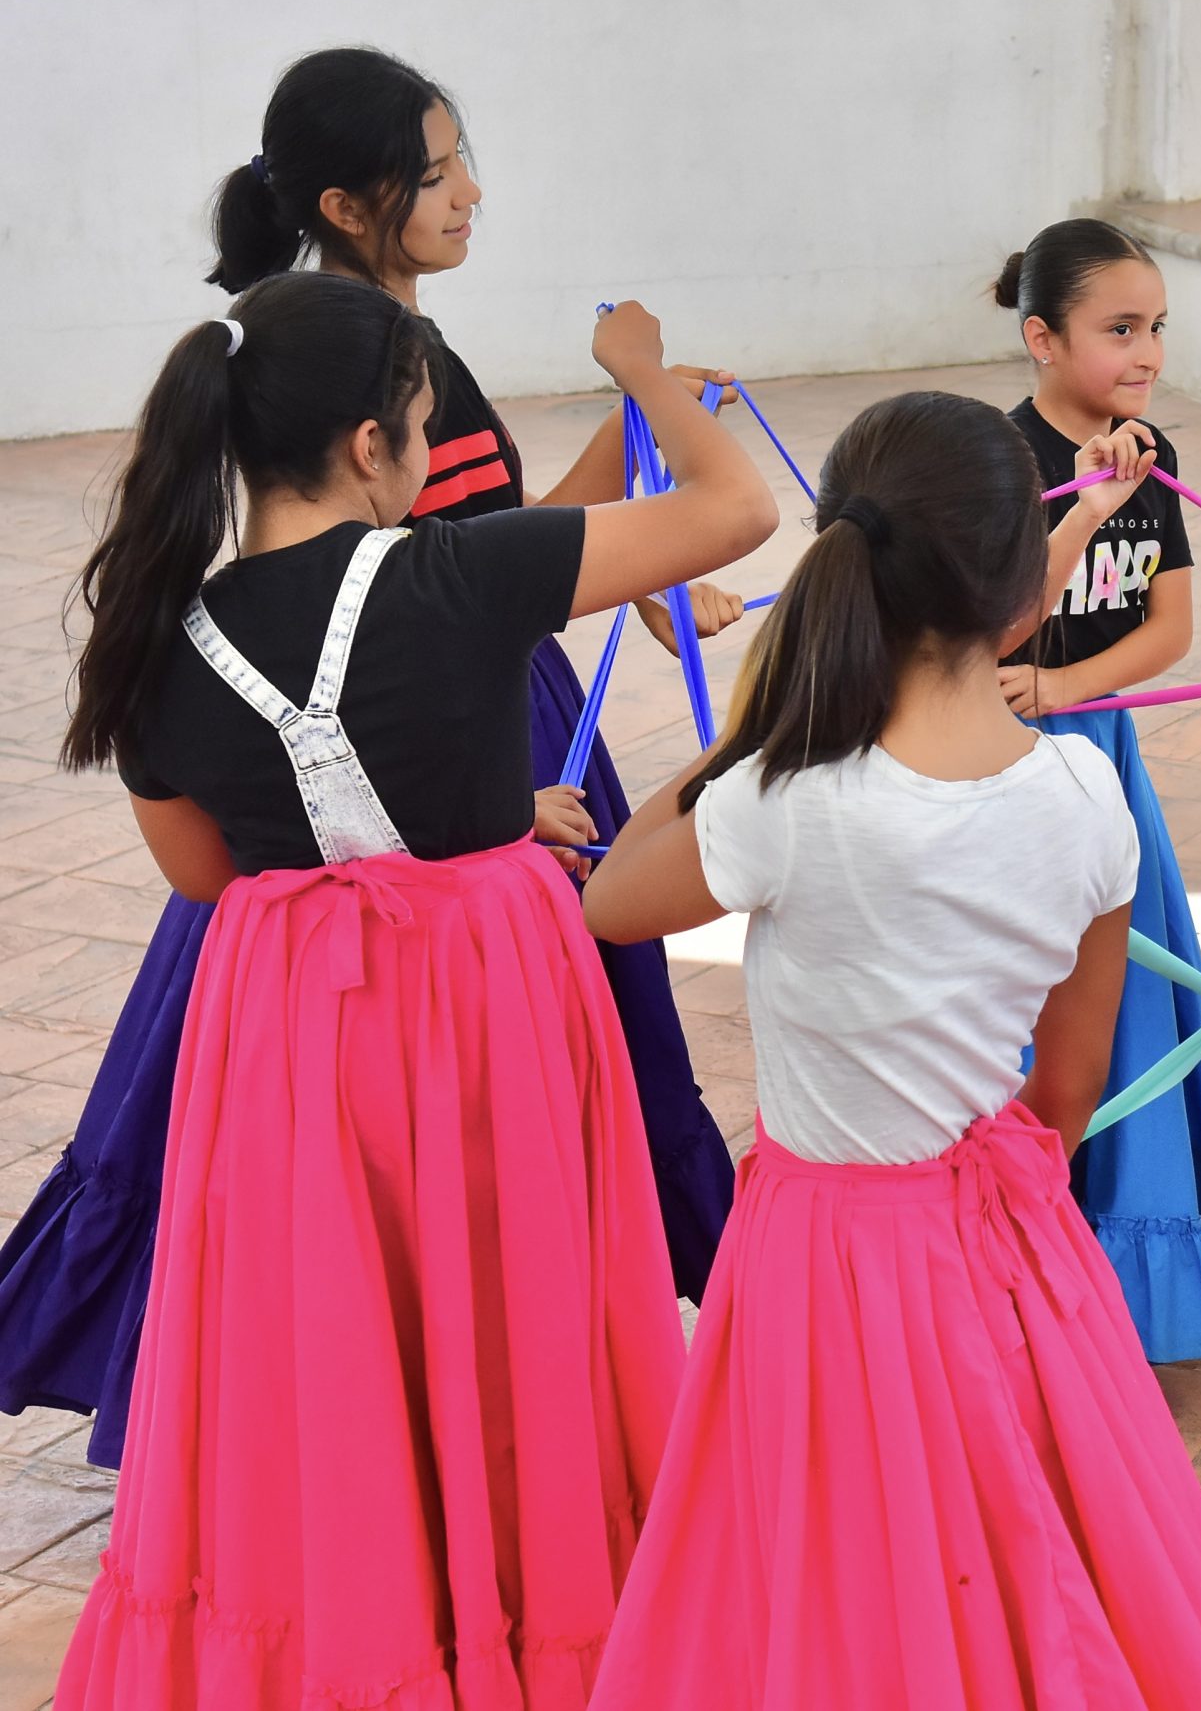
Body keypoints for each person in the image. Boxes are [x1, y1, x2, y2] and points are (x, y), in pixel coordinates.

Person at [0, 48, 742, 1466]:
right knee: (470, 1133)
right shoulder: (375, 370)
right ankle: (487, 1405)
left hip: (345, 806)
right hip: (439, 756)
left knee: (319, 1148)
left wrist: (627, 508)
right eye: (439, 170)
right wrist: (645, 412)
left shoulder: (307, 393)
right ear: (349, 205)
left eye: (465, 162)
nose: (470, 193)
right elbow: (456, 573)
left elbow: (485, 546)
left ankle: (353, 1419)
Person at [53, 276, 775, 1706]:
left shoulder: (154, 639)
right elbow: (736, 509)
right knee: (511, 1308)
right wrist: (642, 375)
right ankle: (527, 1610)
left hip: (289, 1029)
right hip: (486, 1002)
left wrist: (462, 815)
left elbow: (207, 873)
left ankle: (360, 1615)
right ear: (373, 445)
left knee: (334, 1325)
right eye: (425, 425)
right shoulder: (460, 572)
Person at [580, 391, 1201, 1708]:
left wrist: (747, 733)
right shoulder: (1085, 794)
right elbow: (1067, 1088)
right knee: (1011, 1538)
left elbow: (612, 900)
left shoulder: (783, 797)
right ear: (1018, 594)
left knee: (838, 1558)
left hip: (823, 1250)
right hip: (1011, 1231)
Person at [993, 217, 1201, 1363]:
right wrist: (1036, 688)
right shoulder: (1004, 462)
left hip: (1098, 748)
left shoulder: (1150, 454)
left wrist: (1066, 688)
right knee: (1034, 997)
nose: (1146, 353)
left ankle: (1135, 1250)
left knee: (1135, 997)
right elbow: (993, 621)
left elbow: (1168, 627)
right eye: (1119, 329)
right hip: (1008, 764)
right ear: (1043, 339)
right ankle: (1024, 1244)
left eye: (1156, 328)